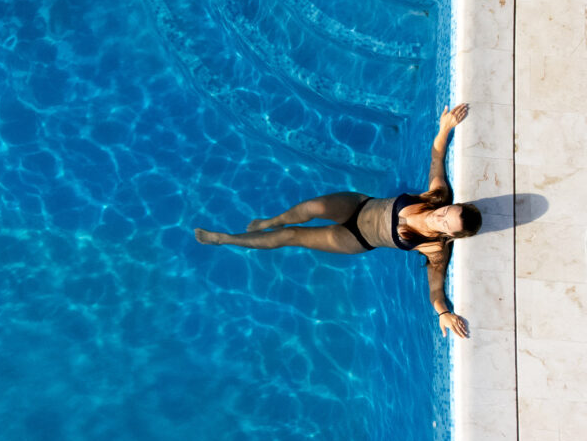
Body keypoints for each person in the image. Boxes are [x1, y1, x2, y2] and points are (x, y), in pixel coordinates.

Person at [194, 104, 481, 339]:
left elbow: (435, 289)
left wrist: (444, 313)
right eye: (448, 212)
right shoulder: (437, 195)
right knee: (313, 206)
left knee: (292, 236)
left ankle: (225, 239)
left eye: (446, 224)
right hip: (360, 205)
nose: (441, 217)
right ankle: (270, 220)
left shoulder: (434, 249)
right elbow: (436, 159)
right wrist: (445, 128)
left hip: (358, 240)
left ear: (450, 235)